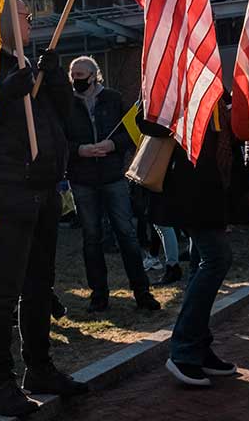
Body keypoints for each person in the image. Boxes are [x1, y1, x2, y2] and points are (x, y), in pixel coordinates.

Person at [0, 0, 86, 417]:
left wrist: (55, 78)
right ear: (4, 18)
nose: (30, 22)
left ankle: (39, 367)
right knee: (4, 289)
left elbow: (67, 118)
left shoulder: (29, 65)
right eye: (24, 15)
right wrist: (2, 94)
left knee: (40, 285)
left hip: (45, 189)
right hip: (11, 189)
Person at [138, 97, 246, 389]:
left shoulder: (212, 80)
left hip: (212, 188)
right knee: (217, 258)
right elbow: (146, 120)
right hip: (189, 187)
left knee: (202, 264)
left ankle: (197, 347)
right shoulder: (174, 79)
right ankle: (184, 349)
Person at [63, 55, 159, 313]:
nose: (76, 80)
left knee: (126, 234)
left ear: (94, 76)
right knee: (91, 238)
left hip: (112, 176)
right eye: (73, 76)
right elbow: (60, 139)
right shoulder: (67, 104)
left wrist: (113, 145)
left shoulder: (113, 99)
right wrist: (80, 150)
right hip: (82, 179)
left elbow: (132, 131)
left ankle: (142, 292)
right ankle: (99, 295)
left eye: (80, 76)